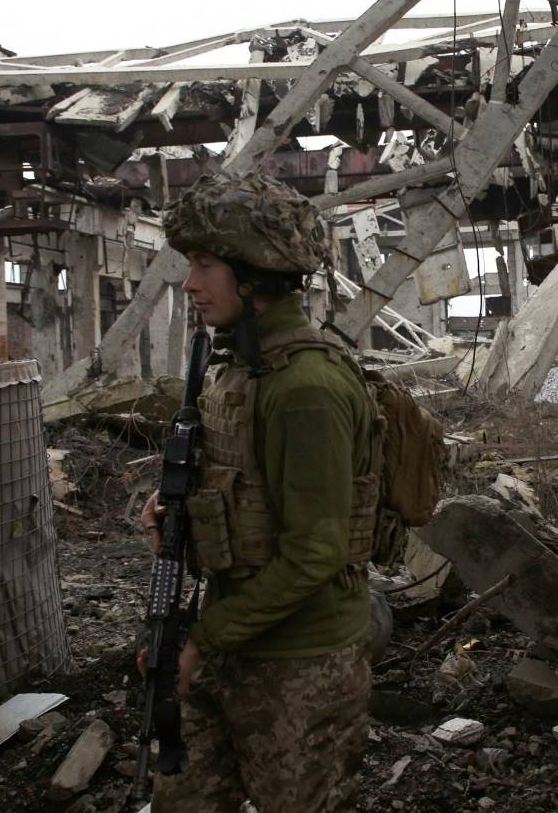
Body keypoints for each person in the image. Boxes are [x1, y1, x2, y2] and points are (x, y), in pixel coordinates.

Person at [140, 170, 378, 812]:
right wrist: (178, 506)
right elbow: (242, 486)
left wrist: (205, 639)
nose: (189, 284)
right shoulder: (236, 370)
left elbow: (316, 551)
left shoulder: (304, 389)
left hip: (301, 663)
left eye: (205, 265)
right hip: (233, 634)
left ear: (254, 276)